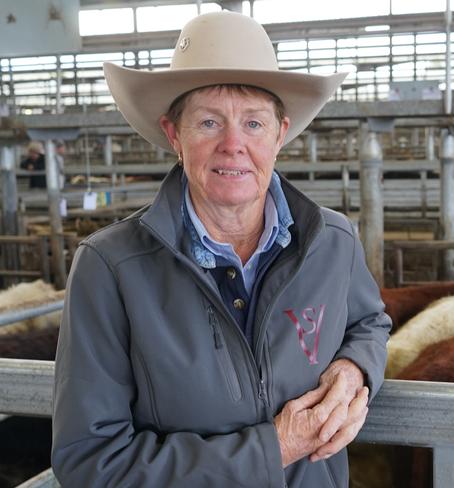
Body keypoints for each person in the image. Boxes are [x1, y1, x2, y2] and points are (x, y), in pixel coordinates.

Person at [51, 11, 391, 488]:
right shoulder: (110, 268)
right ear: (174, 135)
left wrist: (355, 369)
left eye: (253, 123)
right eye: (209, 122)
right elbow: (91, 461)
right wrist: (276, 448)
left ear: (280, 134)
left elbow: (369, 321)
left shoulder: (333, 240)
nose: (233, 144)